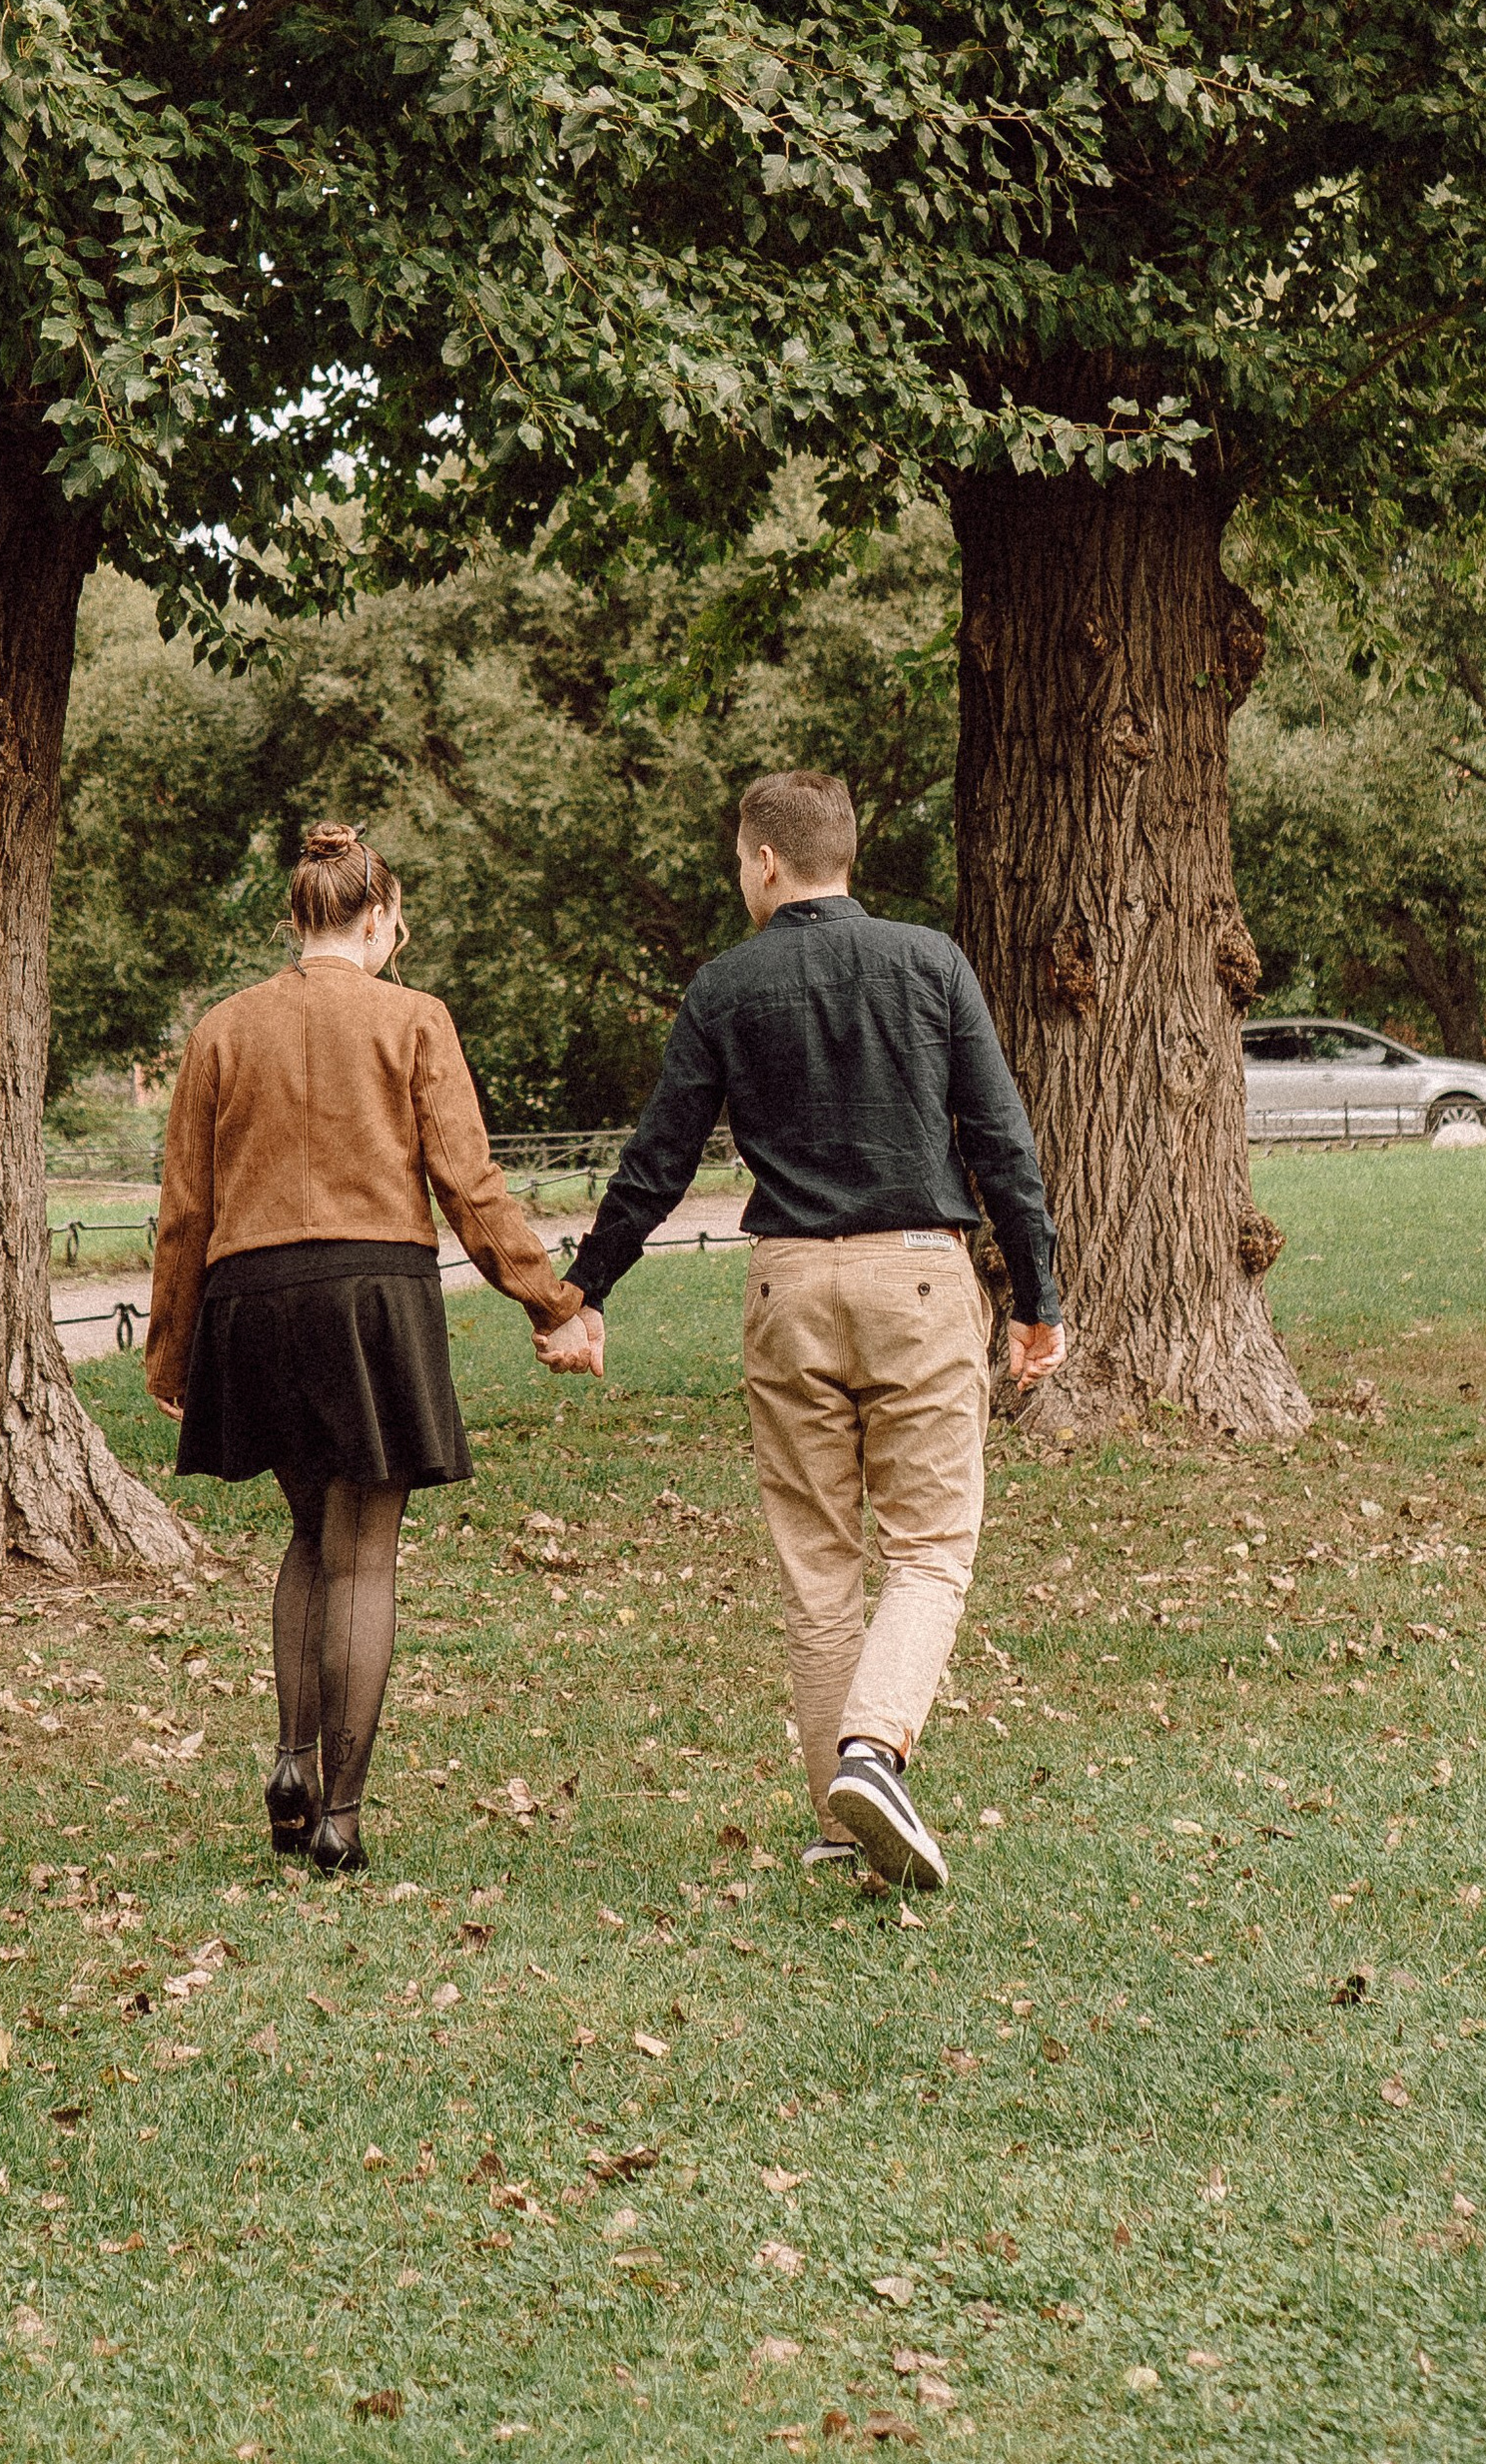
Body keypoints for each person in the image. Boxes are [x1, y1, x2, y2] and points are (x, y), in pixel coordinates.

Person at [547, 769, 1065, 1892]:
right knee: (928, 1549)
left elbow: (658, 1158)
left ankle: (841, 1823)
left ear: (767, 861)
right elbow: (1003, 1142)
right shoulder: (929, 962)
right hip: (919, 1280)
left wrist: (587, 1293)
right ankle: (873, 1754)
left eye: (739, 860)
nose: (740, 876)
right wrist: (1037, 1298)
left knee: (817, 1564)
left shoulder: (727, 985)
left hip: (787, 1289)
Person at [145, 819, 603, 1874]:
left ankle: (291, 1760)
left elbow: (184, 1207)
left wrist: (171, 1354)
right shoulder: (415, 1019)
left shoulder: (222, 1028)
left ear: (296, 917)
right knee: (364, 1557)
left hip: (253, 1297)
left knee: (309, 1531)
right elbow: (468, 1184)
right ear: (381, 919)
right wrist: (551, 1303)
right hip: (371, 1293)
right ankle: (339, 1821)